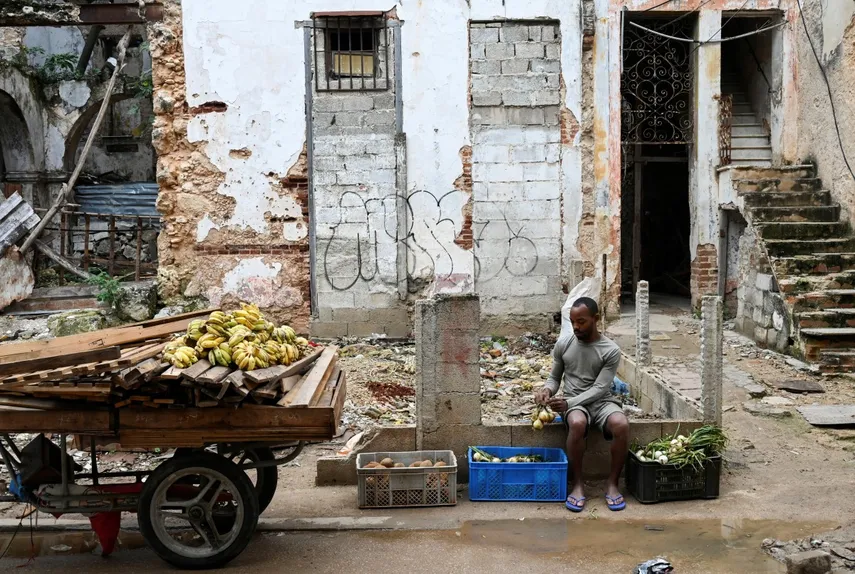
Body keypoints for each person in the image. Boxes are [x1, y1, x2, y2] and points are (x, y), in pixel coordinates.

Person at [534, 296, 629, 512]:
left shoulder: (610, 350)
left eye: (582, 321)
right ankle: (577, 484)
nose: (576, 327)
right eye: (572, 322)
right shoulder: (564, 344)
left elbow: (601, 388)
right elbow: (555, 378)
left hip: (601, 402)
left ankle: (613, 484)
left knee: (621, 424)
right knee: (577, 422)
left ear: (596, 319)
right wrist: (546, 390)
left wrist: (568, 402)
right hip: (575, 405)